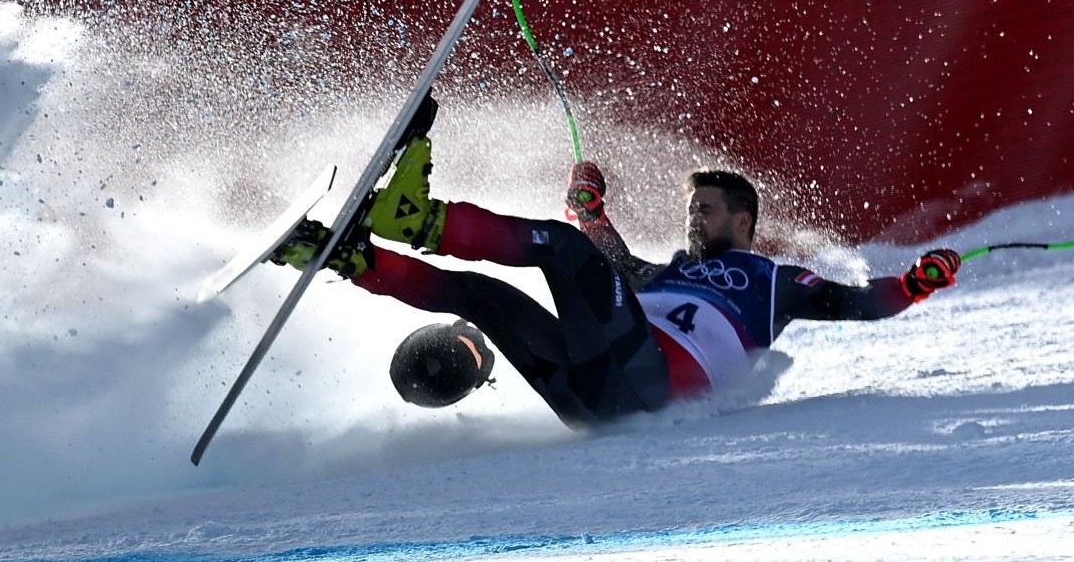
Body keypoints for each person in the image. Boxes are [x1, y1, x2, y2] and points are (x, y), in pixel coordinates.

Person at [272, 99, 962, 427]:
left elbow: (857, 303)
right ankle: (351, 258)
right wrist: (592, 211)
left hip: (646, 382)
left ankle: (421, 219)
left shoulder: (770, 282)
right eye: (694, 209)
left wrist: (912, 283)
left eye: (710, 210)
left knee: (563, 252)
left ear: (745, 222)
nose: (696, 218)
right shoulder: (668, 274)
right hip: (592, 397)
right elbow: (617, 273)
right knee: (484, 298)